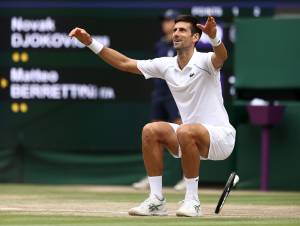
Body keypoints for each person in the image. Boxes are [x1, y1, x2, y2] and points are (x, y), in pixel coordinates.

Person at [69, 15, 236, 217]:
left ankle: (193, 201)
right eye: (175, 30)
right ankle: (156, 200)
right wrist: (90, 43)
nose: (176, 33)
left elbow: (222, 57)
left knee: (185, 130)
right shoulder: (166, 65)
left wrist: (214, 38)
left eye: (182, 30)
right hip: (188, 137)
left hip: (221, 139)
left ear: (195, 37)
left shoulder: (205, 61)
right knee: (151, 130)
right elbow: (124, 63)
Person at [132, 9, 185, 191]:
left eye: (170, 21)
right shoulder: (159, 44)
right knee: (154, 134)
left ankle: (187, 177)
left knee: (182, 133)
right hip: (159, 94)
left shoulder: (184, 46)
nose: (166, 24)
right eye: (165, 20)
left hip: (175, 95)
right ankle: (153, 179)